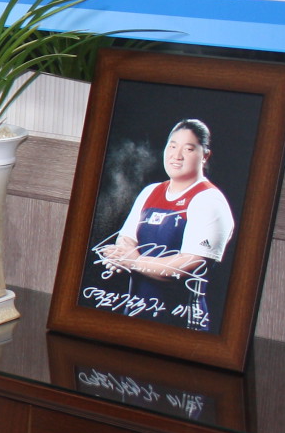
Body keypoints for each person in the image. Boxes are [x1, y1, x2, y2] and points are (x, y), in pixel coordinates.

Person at [93, 118, 235, 331]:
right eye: (173, 146)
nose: (177, 156)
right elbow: (126, 238)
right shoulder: (151, 192)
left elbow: (191, 265)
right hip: (136, 314)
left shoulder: (209, 200)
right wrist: (121, 255)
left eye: (188, 149)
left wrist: (133, 261)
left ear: (205, 155)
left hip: (180, 324)